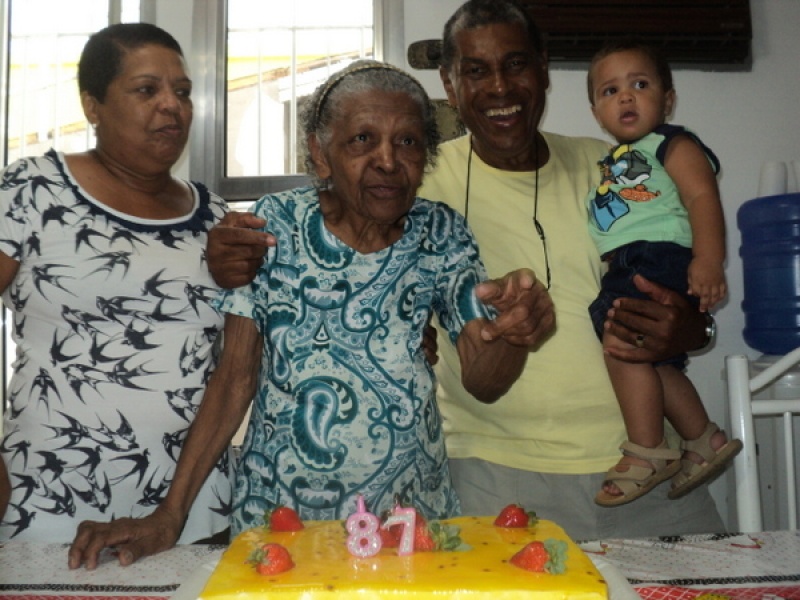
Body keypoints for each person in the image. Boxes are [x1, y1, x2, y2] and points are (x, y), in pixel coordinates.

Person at [204, 0, 726, 541]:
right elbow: (335, 225)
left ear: (544, 70)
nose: (499, 88)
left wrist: (693, 327)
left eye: (516, 64)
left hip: (646, 460)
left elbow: (682, 268)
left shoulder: (617, 165)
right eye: (475, 71)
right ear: (450, 86)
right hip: (495, 476)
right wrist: (226, 251)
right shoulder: (412, 181)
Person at [66, 59, 550, 569]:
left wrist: (512, 334)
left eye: (407, 142)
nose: (388, 160)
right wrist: (169, 515)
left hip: (407, 528)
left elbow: (484, 379)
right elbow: (234, 378)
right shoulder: (275, 225)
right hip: (281, 525)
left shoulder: (442, 233)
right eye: (362, 139)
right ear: (321, 155)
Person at [0, 23, 231, 544]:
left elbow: (240, 362)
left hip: (190, 510)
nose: (173, 106)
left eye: (183, 92)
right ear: (93, 105)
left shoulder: (215, 218)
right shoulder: (34, 189)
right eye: (147, 90)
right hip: (52, 502)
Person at [585, 40, 742, 506]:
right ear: (596, 112)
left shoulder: (673, 143)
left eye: (640, 84)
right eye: (610, 91)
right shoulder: (613, 160)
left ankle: (648, 449)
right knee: (654, 357)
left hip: (655, 259)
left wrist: (709, 260)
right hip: (634, 260)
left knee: (622, 345)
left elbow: (701, 198)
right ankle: (702, 439)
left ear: (667, 99)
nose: (626, 97)